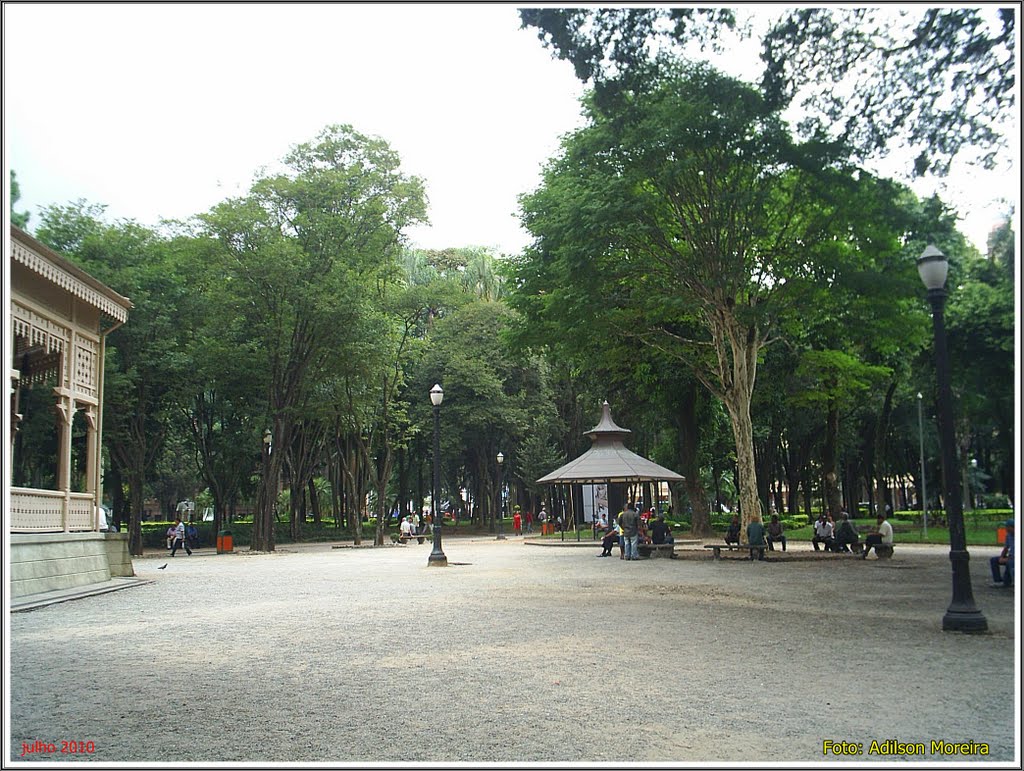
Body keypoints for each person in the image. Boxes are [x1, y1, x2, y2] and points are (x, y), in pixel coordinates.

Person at [990, 520, 1014, 588]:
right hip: (1011, 556)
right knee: (994, 560)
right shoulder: (1008, 536)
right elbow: (1006, 548)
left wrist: (1008, 559)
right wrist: (1002, 557)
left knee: (1010, 562)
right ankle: (998, 581)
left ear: (1012, 527)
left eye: (1007, 527)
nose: (1005, 528)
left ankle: (1007, 582)